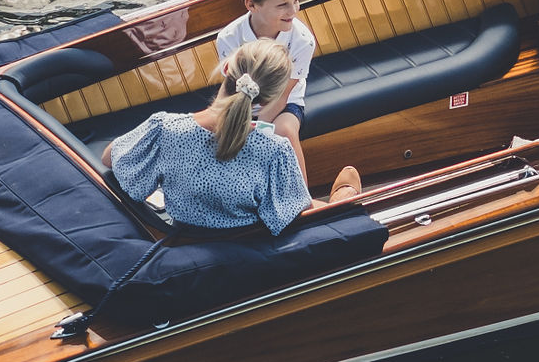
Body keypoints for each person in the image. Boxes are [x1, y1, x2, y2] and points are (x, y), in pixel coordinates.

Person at [105, 41, 356, 233]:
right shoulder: (274, 150)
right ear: (269, 99)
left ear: (226, 68)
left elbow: (110, 159)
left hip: (185, 241)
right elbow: (296, 214)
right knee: (336, 208)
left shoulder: (165, 129)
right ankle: (344, 199)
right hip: (248, 250)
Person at [214, 0, 318, 147]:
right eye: (282, 5)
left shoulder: (302, 41)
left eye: (296, 0)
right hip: (240, 102)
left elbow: (282, 96)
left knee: (284, 131)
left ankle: (298, 179)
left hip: (284, 104)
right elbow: (228, 91)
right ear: (251, 5)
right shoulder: (229, 38)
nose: (293, 11)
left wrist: (255, 129)